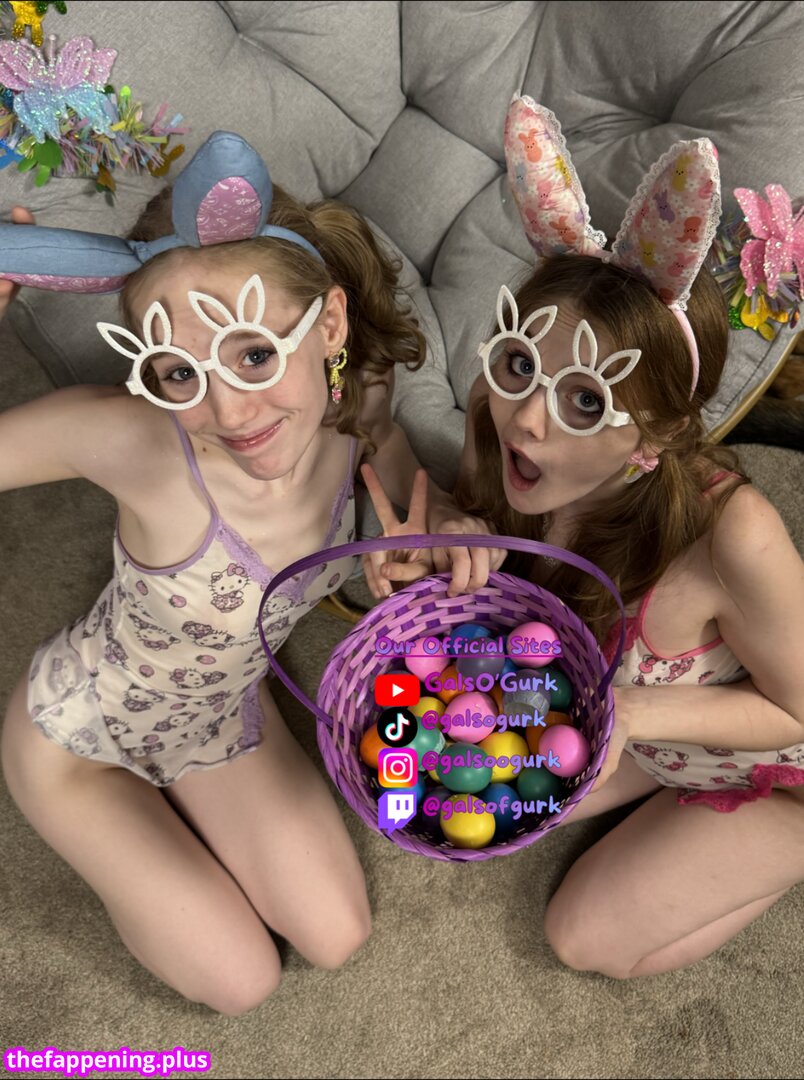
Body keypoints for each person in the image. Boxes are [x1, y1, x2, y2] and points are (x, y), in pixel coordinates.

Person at [0, 132, 492, 1013]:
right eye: (179, 373)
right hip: (80, 736)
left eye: (255, 354)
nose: (229, 410)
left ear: (329, 325)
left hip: (218, 712)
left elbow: (395, 461)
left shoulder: (357, 398)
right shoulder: (130, 440)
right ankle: (116, 836)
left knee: (336, 937)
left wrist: (444, 513)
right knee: (243, 982)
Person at [374, 97, 804, 978]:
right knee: (479, 793)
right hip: (645, 736)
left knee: (584, 938)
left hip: (772, 753)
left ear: (654, 437)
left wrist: (632, 714)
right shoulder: (503, 422)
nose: (528, 417)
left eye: (584, 400)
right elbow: (443, 487)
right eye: (520, 363)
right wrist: (453, 523)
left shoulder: (733, 535)